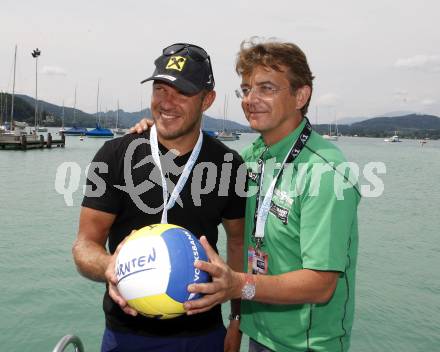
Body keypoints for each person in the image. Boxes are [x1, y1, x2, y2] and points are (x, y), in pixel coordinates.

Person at [134, 39, 360, 351]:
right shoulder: (252, 158)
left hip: (306, 344)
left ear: (300, 95)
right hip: (258, 333)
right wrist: (155, 131)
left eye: (266, 88)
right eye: (246, 89)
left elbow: (321, 284)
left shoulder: (326, 171)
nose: (250, 99)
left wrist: (239, 286)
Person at [72, 43, 246, 352]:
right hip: (125, 334)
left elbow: (237, 242)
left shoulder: (229, 165)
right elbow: (85, 244)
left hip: (202, 333)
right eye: (161, 89)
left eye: (182, 93)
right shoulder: (115, 155)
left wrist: (236, 319)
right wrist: (109, 266)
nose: (167, 102)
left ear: (207, 100)